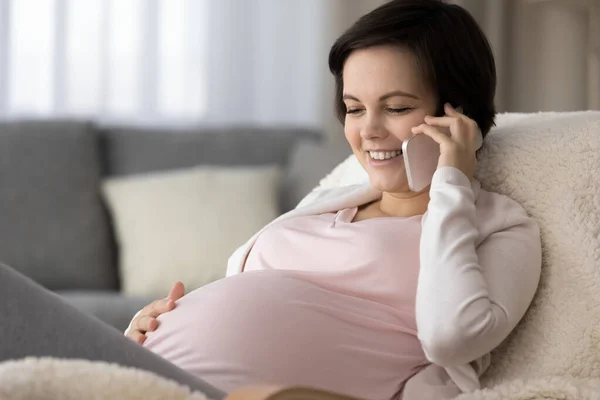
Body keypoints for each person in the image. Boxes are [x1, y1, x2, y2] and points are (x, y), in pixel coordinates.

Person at [125, 1, 542, 399]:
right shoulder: (331, 200)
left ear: (458, 116)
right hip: (145, 375)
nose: (369, 131)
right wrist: (148, 332)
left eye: (396, 108)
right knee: (56, 321)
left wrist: (452, 183)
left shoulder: (498, 227)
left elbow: (451, 338)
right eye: (354, 109)